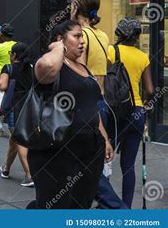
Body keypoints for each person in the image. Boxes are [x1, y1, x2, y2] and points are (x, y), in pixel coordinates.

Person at [29, 19, 114, 209]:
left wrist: (105, 138)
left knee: (81, 204)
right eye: (77, 36)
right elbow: (49, 68)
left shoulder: (82, 67)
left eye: (82, 36)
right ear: (60, 39)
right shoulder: (51, 63)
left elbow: (91, 105)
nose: (82, 41)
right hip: (59, 149)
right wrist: (57, 48)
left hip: (90, 149)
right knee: (56, 205)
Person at [69, 0, 127, 209]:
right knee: (95, 164)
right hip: (103, 103)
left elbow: (80, 70)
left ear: (78, 7)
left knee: (86, 167)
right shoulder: (101, 34)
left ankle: (118, 209)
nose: (69, 8)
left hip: (88, 107)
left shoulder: (80, 35)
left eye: (72, 4)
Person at [107, 18, 154, 208]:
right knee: (128, 166)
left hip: (116, 111)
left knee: (105, 161)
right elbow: (150, 90)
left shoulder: (111, 51)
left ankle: (107, 204)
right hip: (136, 111)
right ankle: (126, 206)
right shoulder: (143, 57)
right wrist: (146, 105)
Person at [0, 42, 33, 187]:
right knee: (14, 139)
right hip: (30, 106)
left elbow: (2, 86)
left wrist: (0, 79)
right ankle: (6, 169)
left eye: (10, 53)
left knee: (20, 141)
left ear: (14, 55)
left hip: (15, 107)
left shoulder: (9, 68)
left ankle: (30, 176)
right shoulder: (32, 68)